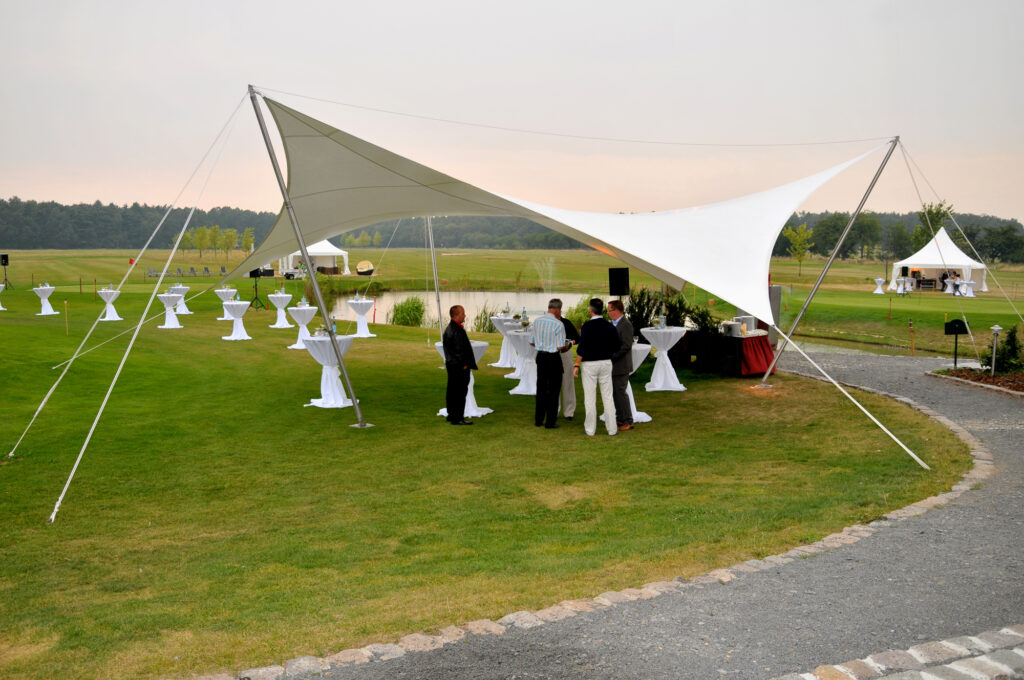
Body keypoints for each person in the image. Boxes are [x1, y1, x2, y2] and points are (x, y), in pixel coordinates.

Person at [573, 298, 620, 436]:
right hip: (606, 362)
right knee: (608, 397)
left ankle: (590, 429)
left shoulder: (587, 326)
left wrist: (576, 364)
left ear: (591, 311)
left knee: (590, 397)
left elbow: (582, 348)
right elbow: (617, 346)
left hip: (589, 364)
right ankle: (612, 429)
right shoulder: (610, 326)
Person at [530, 300, 570, 428]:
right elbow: (560, 346)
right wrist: (567, 344)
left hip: (541, 357)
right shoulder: (558, 324)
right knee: (553, 390)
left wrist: (542, 343)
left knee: (541, 388)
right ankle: (550, 422)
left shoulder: (537, 322)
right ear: (558, 310)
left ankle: (538, 419)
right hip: (553, 358)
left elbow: (532, 342)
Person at [442, 304, 477, 426]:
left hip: (453, 366)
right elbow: (459, 351)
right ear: (456, 315)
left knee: (452, 391)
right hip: (459, 367)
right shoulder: (455, 330)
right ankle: (458, 418)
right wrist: (465, 366)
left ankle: (452, 415)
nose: (465, 315)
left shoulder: (452, 328)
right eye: (463, 313)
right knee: (459, 392)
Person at [548, 298, 580, 420]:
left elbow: (577, 338)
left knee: (568, 383)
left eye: (557, 309)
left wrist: (569, 343)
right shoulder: (546, 323)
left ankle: (569, 412)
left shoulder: (566, 323)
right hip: (551, 355)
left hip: (565, 355)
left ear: (558, 310)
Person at [607, 299, 634, 431]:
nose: (608, 312)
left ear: (617, 310)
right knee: (614, 393)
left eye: (610, 310)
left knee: (620, 392)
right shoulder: (612, 324)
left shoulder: (626, 325)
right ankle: (620, 418)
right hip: (614, 365)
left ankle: (628, 420)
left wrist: (612, 356)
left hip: (621, 365)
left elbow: (626, 346)